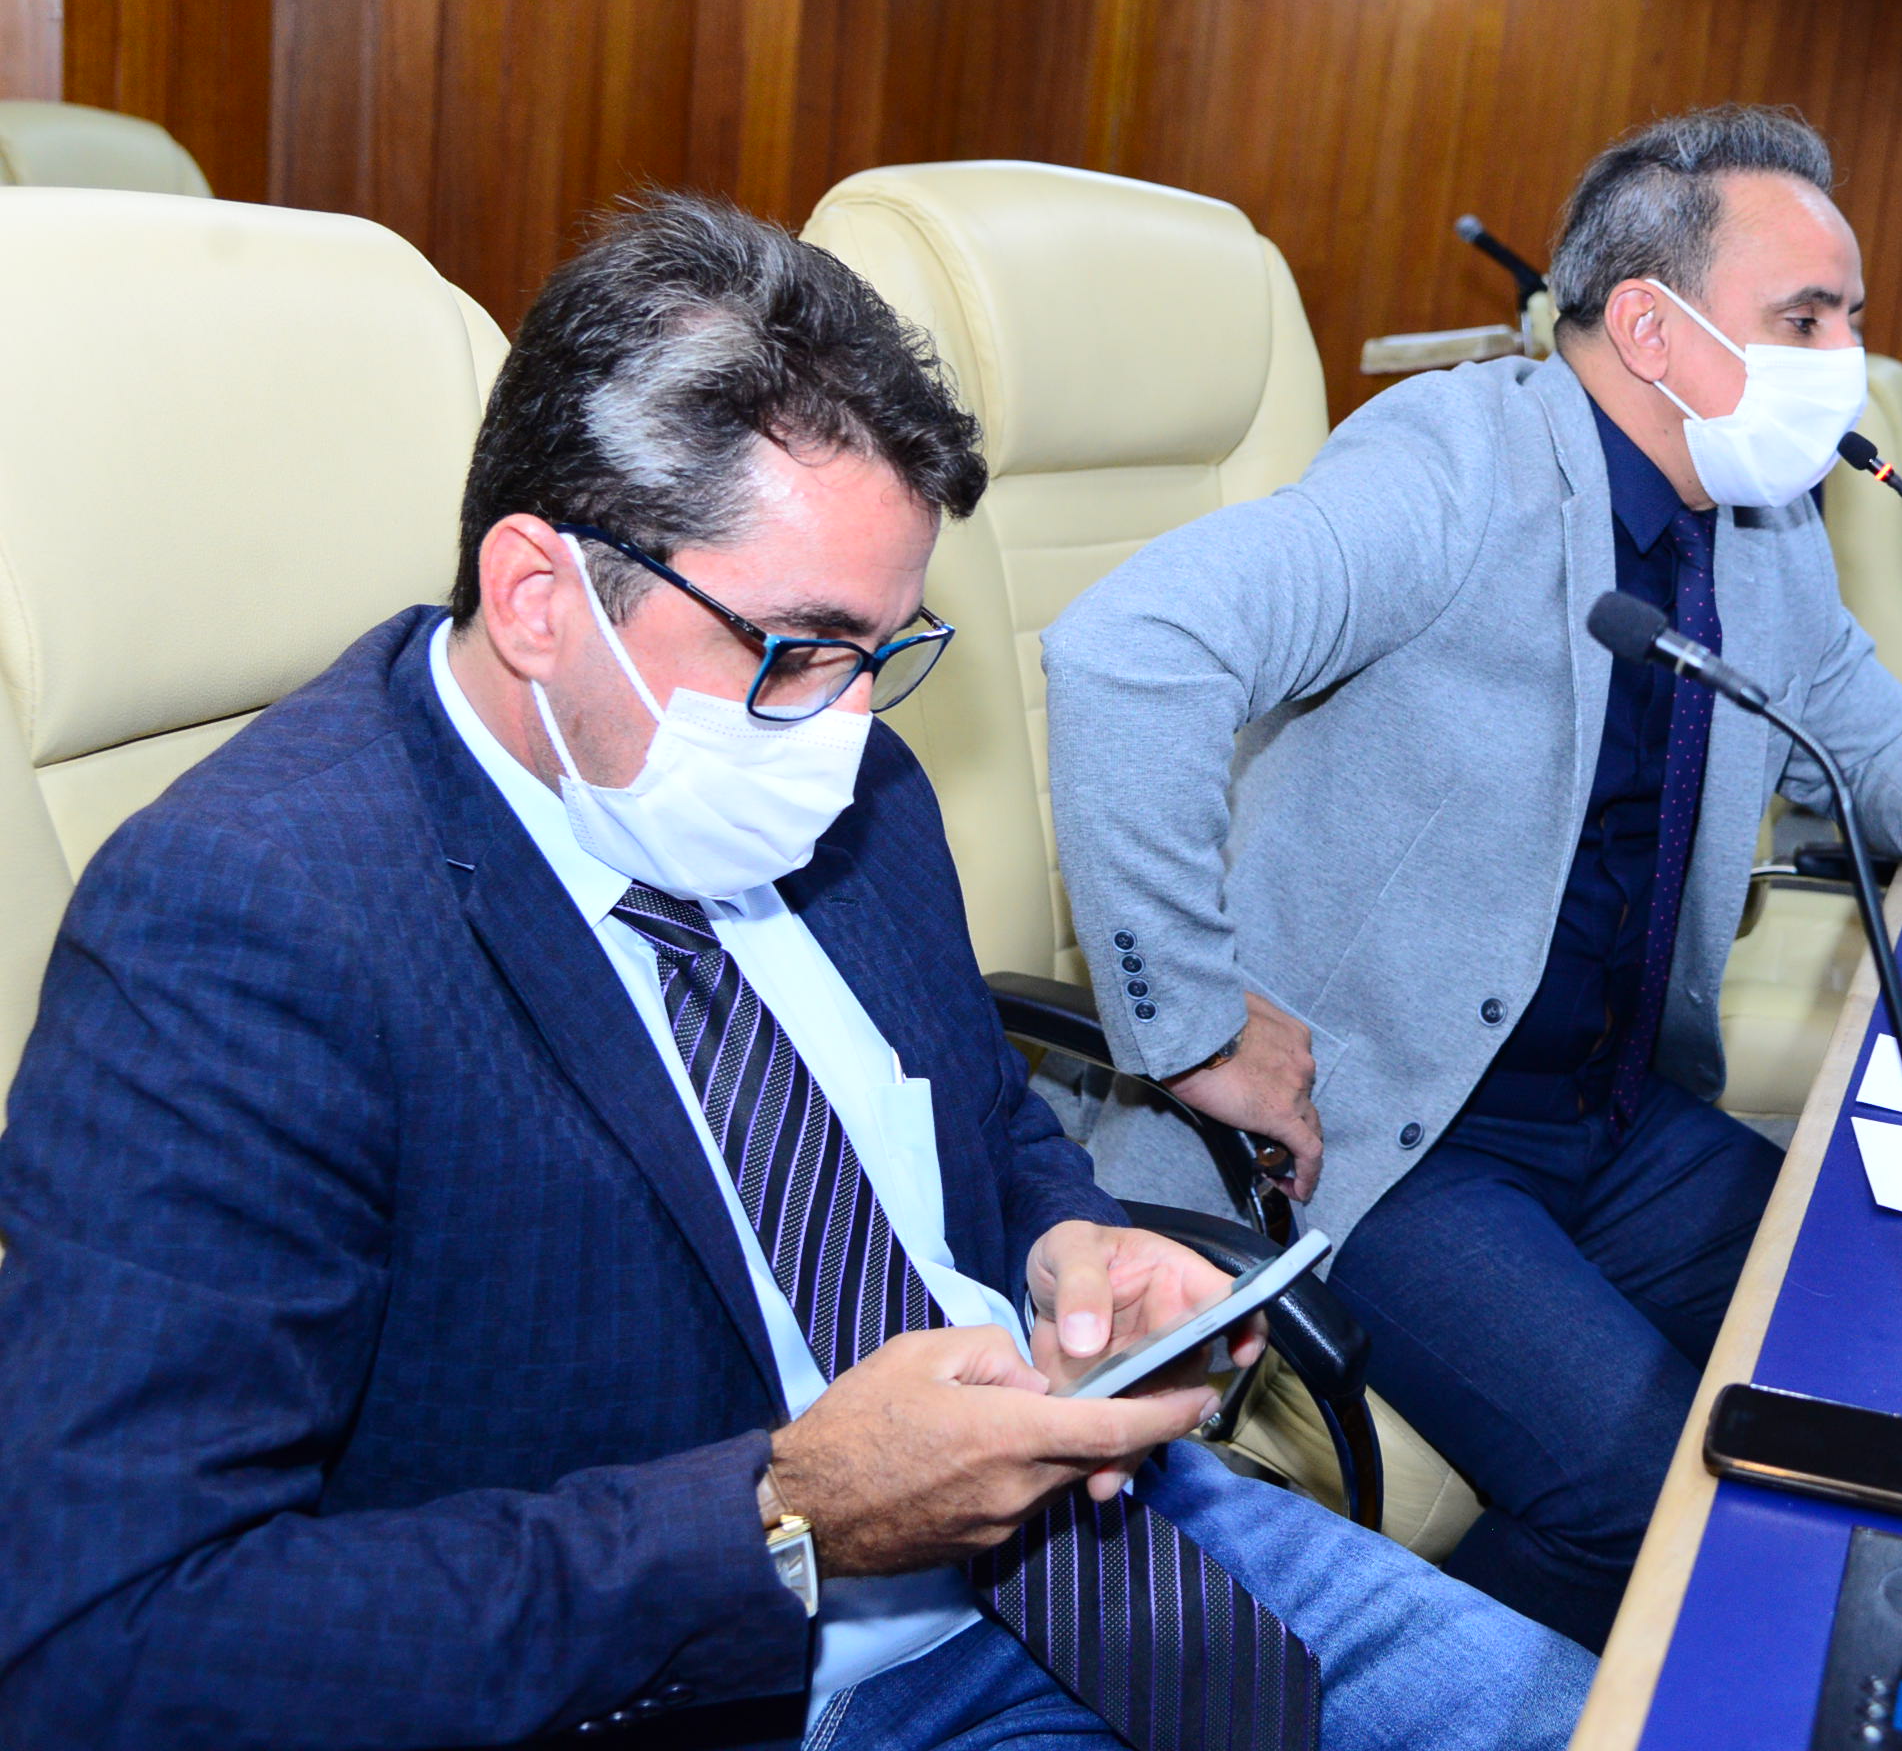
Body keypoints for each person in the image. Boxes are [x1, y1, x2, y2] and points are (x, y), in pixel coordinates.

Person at [0, 196, 1590, 1750]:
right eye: (794, 649)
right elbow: (108, 1643)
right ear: (542, 597)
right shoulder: (250, 919)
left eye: (881, 652)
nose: (843, 724)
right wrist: (784, 1516)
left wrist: (1071, 1249)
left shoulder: (841, 783)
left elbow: (983, 1120)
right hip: (732, 1681)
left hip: (1105, 1535)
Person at [1041, 106, 1902, 1647]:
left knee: (1882, 1320)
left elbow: (1858, 717)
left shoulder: (1757, 518)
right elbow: (1126, 651)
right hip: (1391, 1129)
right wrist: (1195, 1025)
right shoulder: (1452, 462)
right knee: (1653, 1486)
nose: (1849, 359)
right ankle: (1364, 1694)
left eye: (1851, 319)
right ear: (1651, 329)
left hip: (1609, 1110)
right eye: (1806, 319)